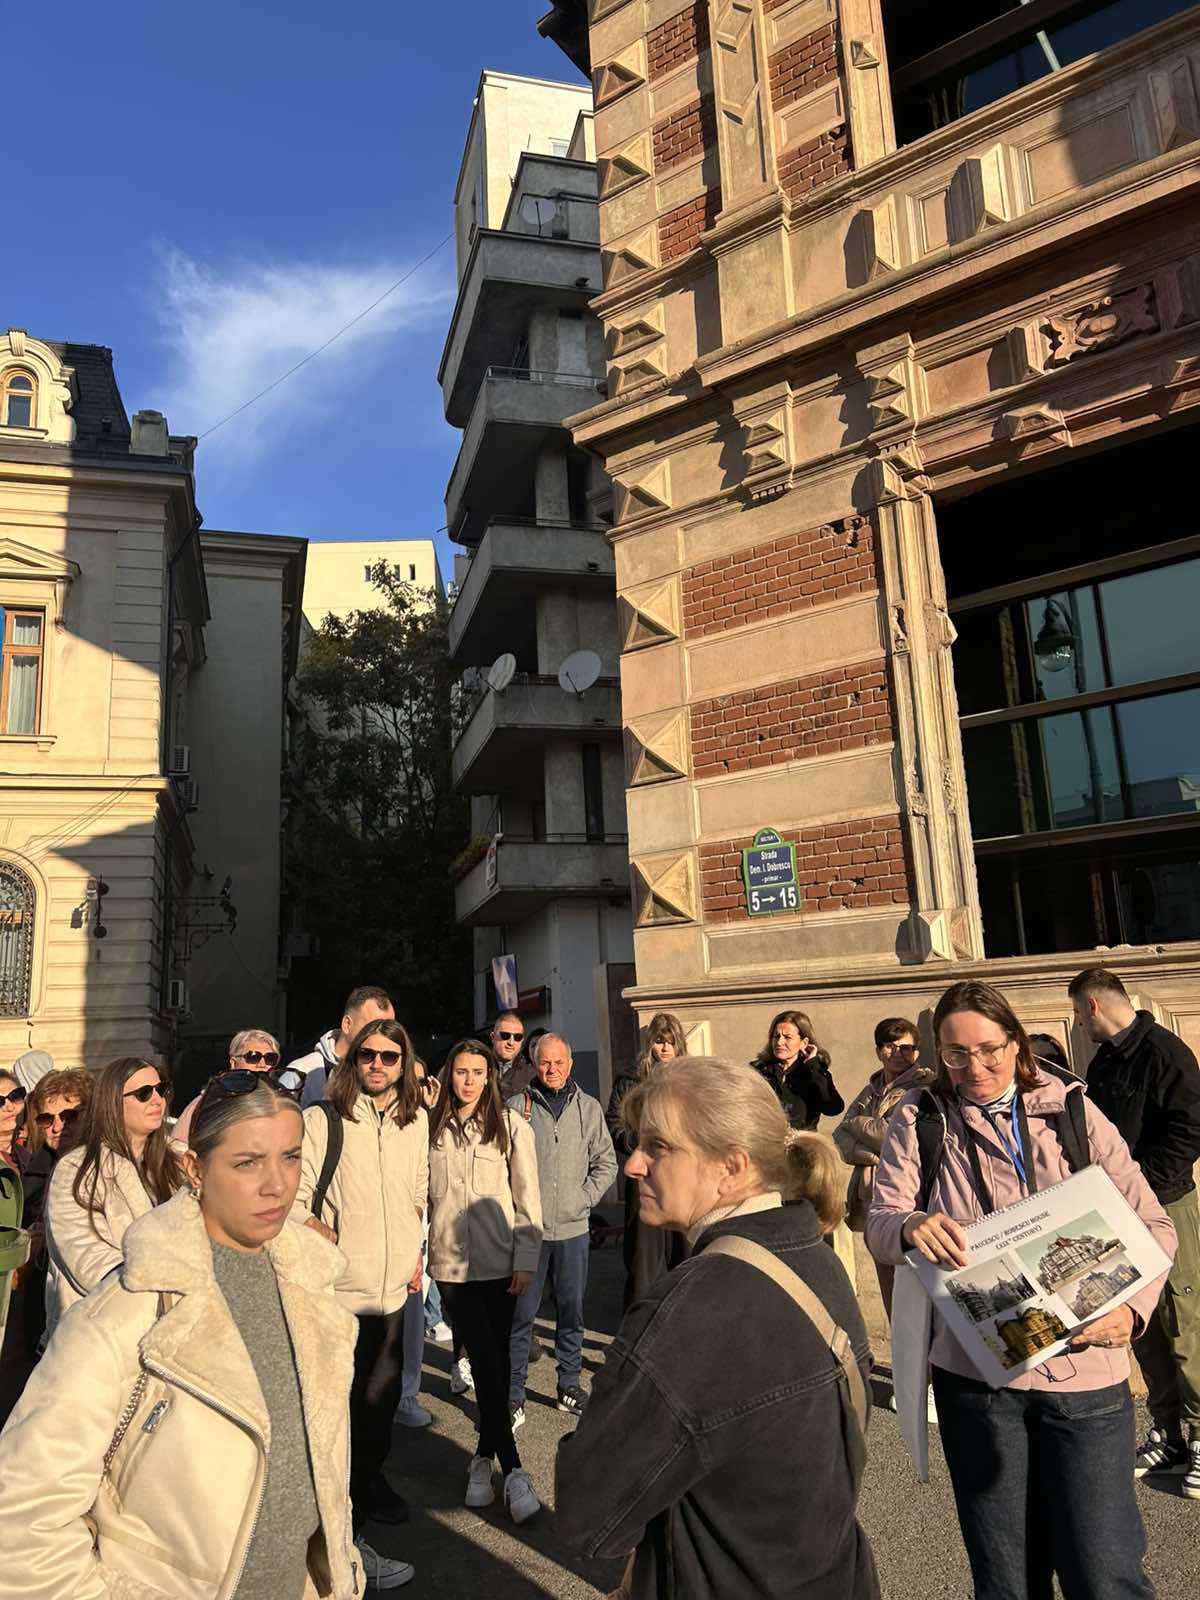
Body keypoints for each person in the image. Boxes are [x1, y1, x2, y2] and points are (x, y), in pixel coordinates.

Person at [0, 1072, 372, 1598]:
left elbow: (325, 1477)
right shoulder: (122, 1314)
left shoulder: (314, 1289)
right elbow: (22, 1524)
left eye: (290, 1157)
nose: (277, 1184)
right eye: (248, 1162)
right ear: (196, 1169)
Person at [867, 979, 1177, 1600]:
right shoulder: (919, 1117)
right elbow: (880, 1222)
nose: (975, 1067)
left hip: (1087, 1377)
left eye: (989, 1049)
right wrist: (909, 1226)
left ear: (1015, 1043)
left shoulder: (1072, 1111)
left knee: (1104, 1573)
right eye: (956, 1054)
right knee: (1006, 1579)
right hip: (977, 1381)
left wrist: (1133, 1315)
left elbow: (1154, 1226)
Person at [556, 1058, 878, 1599]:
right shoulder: (812, 1254)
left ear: (731, 1168)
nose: (633, 1164)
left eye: (658, 1147)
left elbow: (587, 1515)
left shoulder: (688, 1309)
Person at [293, 1016, 426, 1555]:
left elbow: (419, 1191)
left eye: (389, 1056)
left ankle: (370, 1483)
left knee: (381, 1401)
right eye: (367, 1054)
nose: (377, 1064)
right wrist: (324, 1235)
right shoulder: (322, 1119)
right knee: (340, 1406)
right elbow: (296, 1198)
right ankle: (339, 1507)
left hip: (393, 1290)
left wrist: (416, 1250)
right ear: (353, 1060)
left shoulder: (415, 1121)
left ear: (403, 1063)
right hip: (341, 1292)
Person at [1069, 965, 1200, 1496]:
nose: (1080, 1024)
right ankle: (1168, 1433)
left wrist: (1141, 1183)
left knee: (1183, 1318)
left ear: (1093, 1005)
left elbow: (1191, 1129)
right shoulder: (1103, 1061)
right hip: (1116, 1213)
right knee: (1141, 1320)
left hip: (1166, 1205)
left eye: (1079, 1013)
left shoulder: (1166, 1053)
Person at [428, 1039, 542, 1523]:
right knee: (486, 1358)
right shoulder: (430, 1127)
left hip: (500, 1265)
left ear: (490, 1076)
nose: (469, 1081)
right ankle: (513, 1468)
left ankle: (483, 1460)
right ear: (449, 1075)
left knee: (493, 1360)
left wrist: (526, 1259)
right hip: (451, 1267)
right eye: (461, 1071)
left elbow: (527, 1198)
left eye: (478, 1072)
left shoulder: (511, 1127)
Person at [508, 1033, 616, 1429]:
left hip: (573, 1230)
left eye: (559, 1062)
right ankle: (513, 1394)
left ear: (570, 1064)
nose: (552, 1069)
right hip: (529, 1232)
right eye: (545, 1063)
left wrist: (582, 1200)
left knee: (571, 1312)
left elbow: (606, 1162)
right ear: (535, 1065)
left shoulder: (588, 1108)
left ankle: (568, 1385)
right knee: (521, 1316)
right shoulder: (516, 1108)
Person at [43, 1057, 183, 1340]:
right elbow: (85, 1257)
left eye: (161, 1089)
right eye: (143, 1093)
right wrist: (160, 1286)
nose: (157, 1099)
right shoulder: (76, 1169)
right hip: (100, 1332)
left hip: (174, 1327)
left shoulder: (179, 1160)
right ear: (112, 1102)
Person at [0, 1070, 93, 1421]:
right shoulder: (32, 1174)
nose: (57, 1127)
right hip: (30, 1314)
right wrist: (30, 1241)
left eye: (69, 1115)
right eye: (47, 1119)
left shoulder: (108, 1168)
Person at [833, 1017, 933, 1317]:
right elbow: (839, 1137)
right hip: (871, 1195)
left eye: (906, 1047)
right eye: (890, 1046)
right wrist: (874, 1156)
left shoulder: (924, 1086)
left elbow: (895, 1134)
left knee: (919, 1285)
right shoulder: (871, 1089)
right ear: (879, 1051)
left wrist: (858, 1124)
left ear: (916, 1052)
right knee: (888, 1286)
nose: (898, 1053)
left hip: (911, 1199)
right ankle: (898, 1344)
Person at [607, 1013, 691, 1307]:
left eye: (671, 1042)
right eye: (659, 1041)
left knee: (684, 1251)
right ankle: (641, 1319)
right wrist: (641, 1144)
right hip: (644, 1174)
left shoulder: (691, 1080)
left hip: (682, 1176)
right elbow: (614, 1124)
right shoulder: (631, 1080)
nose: (665, 1048)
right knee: (644, 1259)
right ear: (649, 1044)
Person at [172, 1027, 300, 1148]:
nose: (262, 1064)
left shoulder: (281, 1101)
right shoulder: (208, 1101)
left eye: (270, 1059)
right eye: (253, 1057)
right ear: (233, 1063)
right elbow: (179, 1148)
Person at [292, 984, 395, 1107]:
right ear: (347, 1024)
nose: (382, 1037)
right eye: (373, 1027)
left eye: (389, 1029)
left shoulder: (392, 1074)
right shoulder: (301, 1073)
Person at [750, 1008, 844, 1129]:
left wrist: (813, 1066)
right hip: (766, 1139)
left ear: (803, 1043)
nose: (779, 1042)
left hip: (802, 1139)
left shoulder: (814, 1073)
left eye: (787, 1037)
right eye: (776, 1036)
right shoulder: (758, 1071)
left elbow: (833, 1108)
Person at [491, 1013, 529, 1097]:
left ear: (522, 1041)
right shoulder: (477, 1067)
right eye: (505, 1035)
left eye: (517, 1037)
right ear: (493, 1037)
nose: (511, 1042)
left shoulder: (532, 1076)